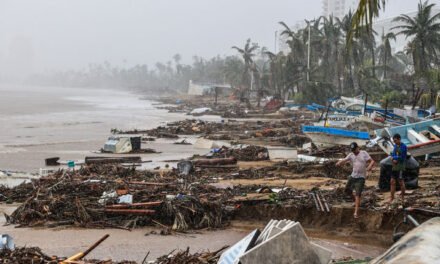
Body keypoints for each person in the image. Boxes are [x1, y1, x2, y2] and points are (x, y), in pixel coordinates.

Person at [336, 142, 375, 218]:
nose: (354, 151)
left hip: (361, 177)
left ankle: (356, 211)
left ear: (358, 148)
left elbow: (372, 161)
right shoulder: (351, 155)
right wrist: (339, 162)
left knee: (358, 194)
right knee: (347, 190)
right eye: (352, 150)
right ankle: (356, 201)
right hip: (353, 176)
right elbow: (344, 160)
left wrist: (369, 166)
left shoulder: (364, 153)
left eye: (354, 149)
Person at [389, 133, 407, 204]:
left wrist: (394, 158)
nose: (395, 142)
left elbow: (402, 157)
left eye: (396, 140)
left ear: (399, 139)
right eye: (394, 141)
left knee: (401, 182)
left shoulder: (404, 146)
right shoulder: (395, 146)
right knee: (392, 181)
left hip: (400, 167)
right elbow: (393, 154)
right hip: (395, 166)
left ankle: (402, 197)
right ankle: (392, 197)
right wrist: (393, 159)